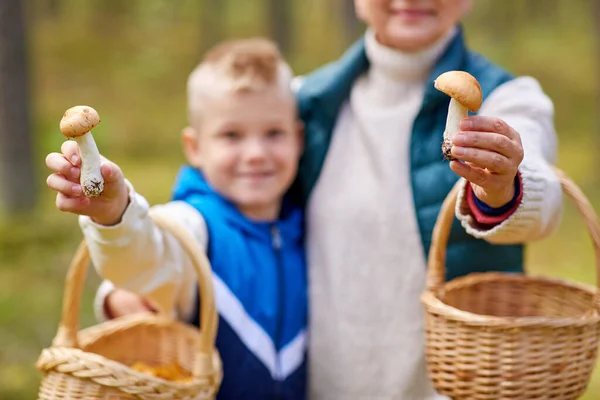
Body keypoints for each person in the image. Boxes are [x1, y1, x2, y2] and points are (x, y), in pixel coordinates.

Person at [92, 0, 564, 398]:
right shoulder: (306, 101)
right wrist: (133, 280)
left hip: (447, 384)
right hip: (322, 382)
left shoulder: (508, 99)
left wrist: (502, 186)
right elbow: (229, 216)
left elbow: (541, 203)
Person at [45, 38, 308, 400]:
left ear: (298, 139)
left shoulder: (305, 223)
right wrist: (115, 213)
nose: (255, 154)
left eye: (274, 133)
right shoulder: (194, 225)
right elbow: (146, 257)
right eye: (231, 135)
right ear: (195, 147)